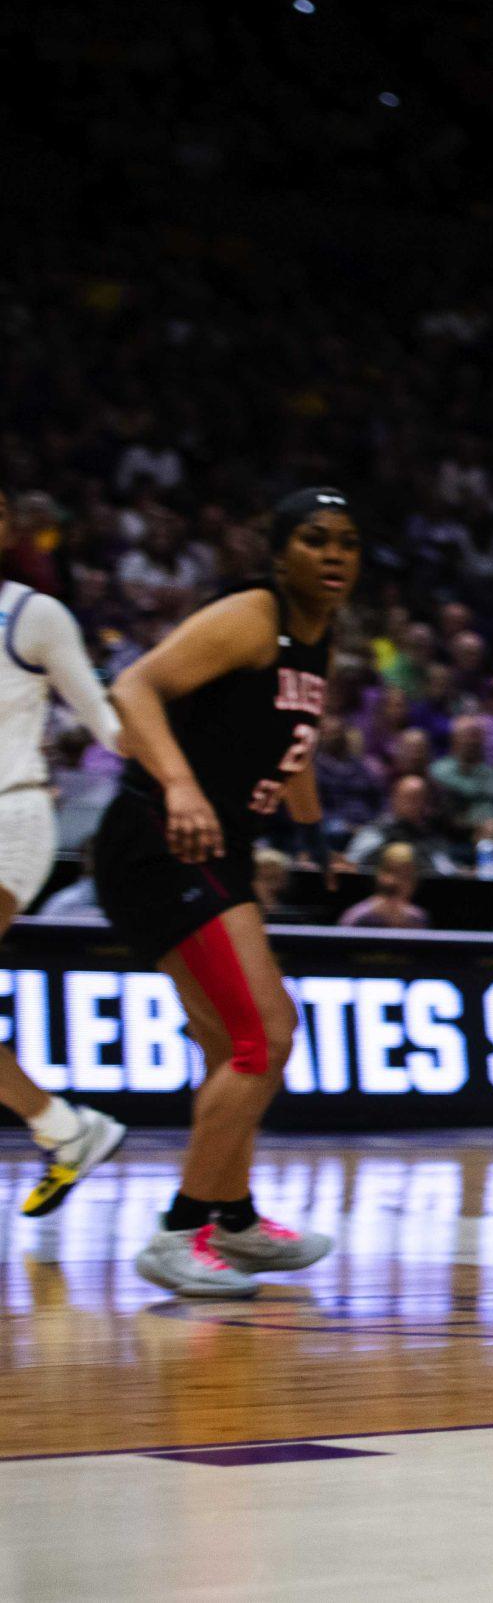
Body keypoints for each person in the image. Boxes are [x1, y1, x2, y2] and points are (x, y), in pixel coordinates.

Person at [95, 487, 362, 1296]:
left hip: (220, 846)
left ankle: (234, 1219)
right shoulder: (252, 612)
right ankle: (180, 1232)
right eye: (314, 539)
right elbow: (132, 687)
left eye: (347, 541)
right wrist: (180, 785)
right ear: (279, 552)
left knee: (233, 1044)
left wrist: (315, 836)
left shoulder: (319, 638)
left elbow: (295, 742)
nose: (333, 554)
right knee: (265, 1035)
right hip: (164, 836)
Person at [0, 486, 131, 1218]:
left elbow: (108, 720)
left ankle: (67, 1127)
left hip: (11, 812)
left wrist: (179, 773)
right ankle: (64, 1127)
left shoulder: (31, 613)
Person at [336, 842, 429, 930]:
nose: (396, 881)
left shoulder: (418, 918)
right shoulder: (359, 917)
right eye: (391, 871)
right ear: (379, 874)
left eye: (406, 875)